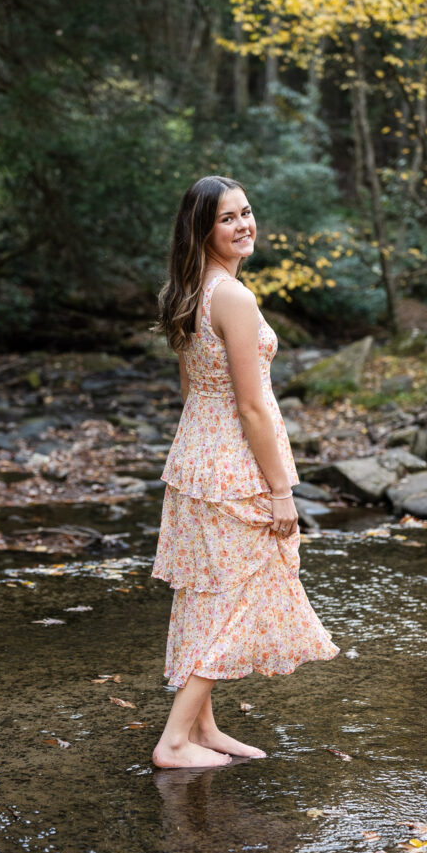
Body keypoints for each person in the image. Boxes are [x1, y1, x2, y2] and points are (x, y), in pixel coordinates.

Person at [151, 175, 338, 769]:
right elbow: (252, 404)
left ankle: (203, 728)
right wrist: (280, 488)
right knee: (241, 590)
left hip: (197, 454)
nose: (244, 225)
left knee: (206, 591)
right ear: (203, 230)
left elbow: (191, 388)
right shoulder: (233, 297)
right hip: (231, 463)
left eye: (247, 213)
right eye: (228, 218)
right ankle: (175, 740)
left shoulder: (190, 291)